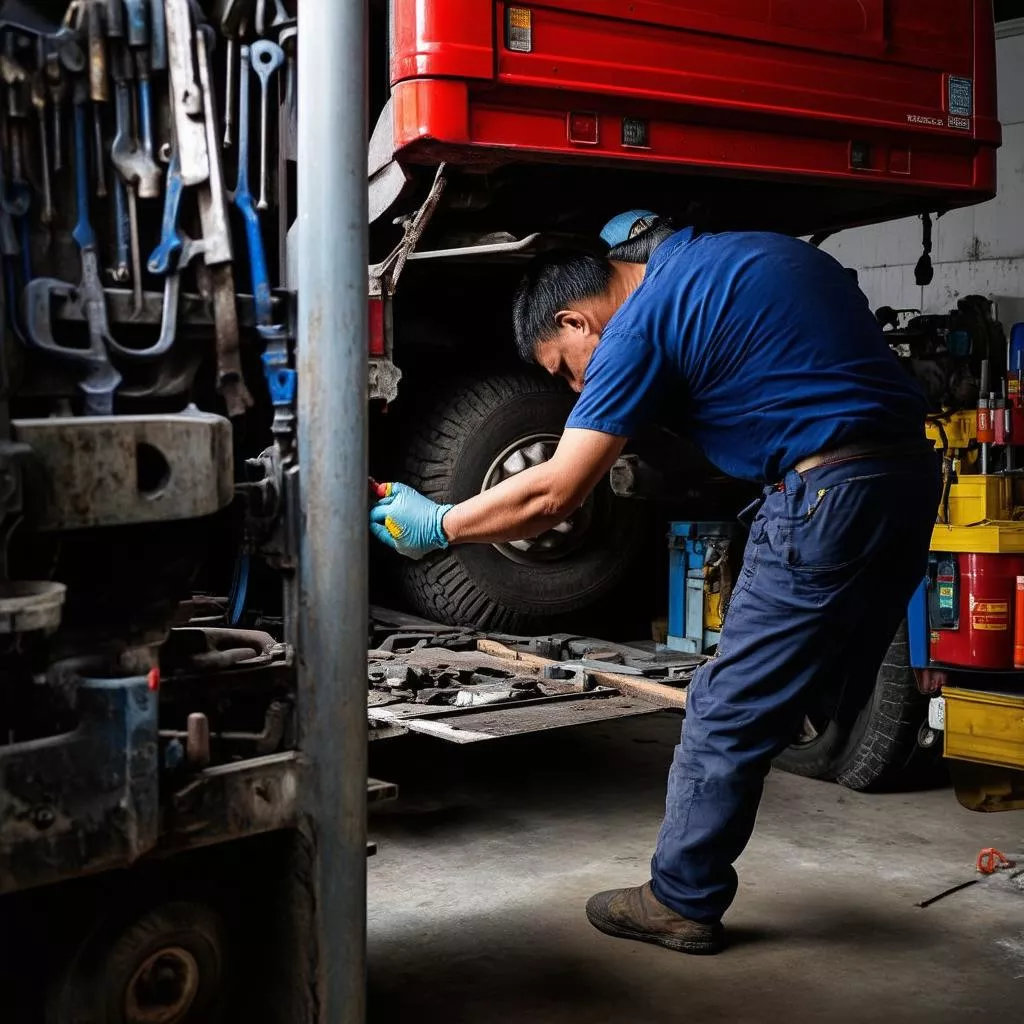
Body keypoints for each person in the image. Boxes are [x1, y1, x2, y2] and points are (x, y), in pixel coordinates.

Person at [369, 213, 939, 954]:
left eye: (565, 365)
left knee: (721, 708)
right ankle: (791, 714)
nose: (576, 386)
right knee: (814, 680)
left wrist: (439, 524)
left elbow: (552, 496)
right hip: (905, 479)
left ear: (577, 317)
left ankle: (680, 899)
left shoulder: (638, 325)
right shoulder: (756, 252)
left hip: (824, 494)